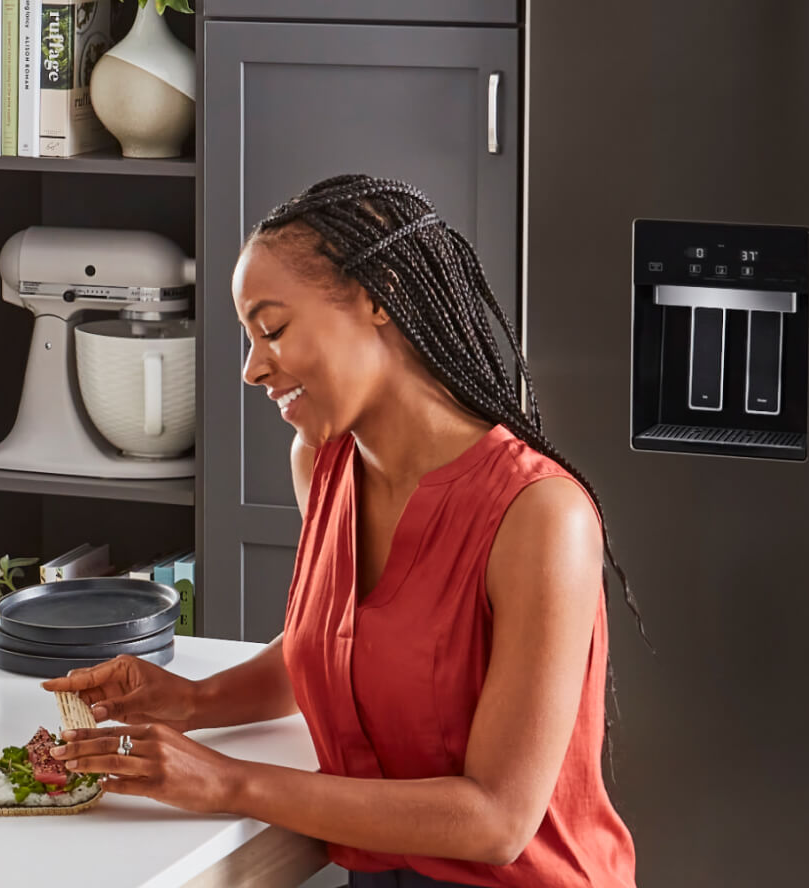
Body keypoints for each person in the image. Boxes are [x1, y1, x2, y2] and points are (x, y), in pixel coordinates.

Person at [43, 174, 639, 888]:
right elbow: (339, 645)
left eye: (272, 328)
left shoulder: (540, 515)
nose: (252, 367)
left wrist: (230, 781)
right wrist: (192, 702)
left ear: (377, 295)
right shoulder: (323, 466)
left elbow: (496, 821)